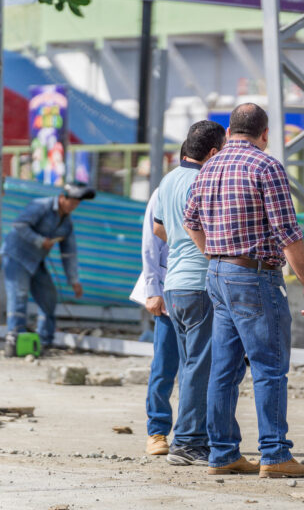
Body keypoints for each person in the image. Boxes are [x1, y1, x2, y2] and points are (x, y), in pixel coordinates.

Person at [183, 103, 304, 478]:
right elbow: (288, 233)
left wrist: (215, 253)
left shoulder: (209, 166)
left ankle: (223, 453)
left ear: (228, 131)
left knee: (223, 371)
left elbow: (190, 220)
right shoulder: (266, 166)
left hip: (218, 274)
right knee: (269, 368)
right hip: (255, 276)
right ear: (265, 134)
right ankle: (275, 455)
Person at [152, 120, 226, 466]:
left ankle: (195, 435)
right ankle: (189, 441)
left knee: (189, 363)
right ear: (212, 153)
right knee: (200, 365)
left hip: (175, 285)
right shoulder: (204, 180)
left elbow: (158, 227)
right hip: (200, 283)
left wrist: (183, 246)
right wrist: (205, 250)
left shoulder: (168, 180)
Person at [0, 182, 95, 357]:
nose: (74, 206)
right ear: (62, 198)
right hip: (16, 256)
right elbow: (19, 225)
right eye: (72, 201)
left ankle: (44, 341)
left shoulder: (66, 224)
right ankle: (14, 341)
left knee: (48, 297)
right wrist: (40, 240)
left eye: (77, 203)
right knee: (18, 296)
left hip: (36, 261)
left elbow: (69, 254)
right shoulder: (41, 206)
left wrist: (74, 281)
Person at [131, 185, 180, 456]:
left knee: (198, 371)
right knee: (164, 365)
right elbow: (151, 243)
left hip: (205, 290)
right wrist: (152, 290)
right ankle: (158, 431)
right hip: (170, 290)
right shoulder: (165, 191)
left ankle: (191, 433)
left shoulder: (215, 182)